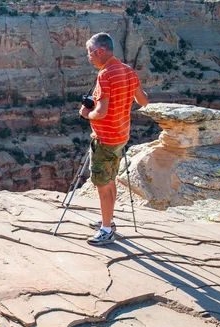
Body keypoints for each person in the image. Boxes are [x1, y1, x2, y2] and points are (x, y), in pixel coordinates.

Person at [79, 32, 148, 246]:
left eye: (90, 53)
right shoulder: (128, 70)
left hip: (105, 138)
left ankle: (106, 230)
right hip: (121, 136)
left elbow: (100, 112)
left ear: (100, 51)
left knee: (102, 184)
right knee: (110, 179)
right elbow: (143, 101)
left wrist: (85, 113)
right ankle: (108, 220)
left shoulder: (106, 75)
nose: (89, 58)